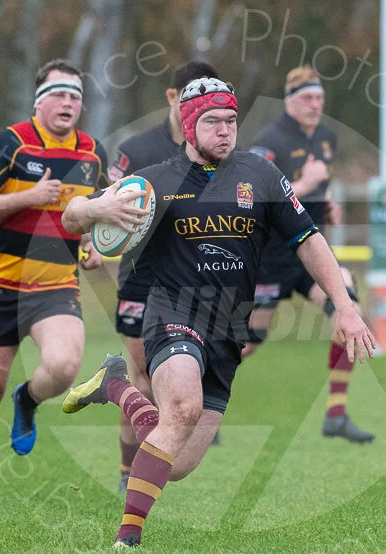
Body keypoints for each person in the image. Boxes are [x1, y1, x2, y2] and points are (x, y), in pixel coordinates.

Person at [59, 78, 378, 547]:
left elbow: (308, 240)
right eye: (212, 122)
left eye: (230, 121)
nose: (225, 131)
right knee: (182, 409)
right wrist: (94, 206)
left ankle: (116, 386)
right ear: (189, 127)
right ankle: (126, 542)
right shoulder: (154, 181)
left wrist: (345, 307)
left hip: (231, 326)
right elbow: (70, 219)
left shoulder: (262, 176)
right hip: (174, 311)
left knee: (179, 463)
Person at [0, 59, 108, 501]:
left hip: (57, 286)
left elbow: (101, 212)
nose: (68, 103)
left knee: (63, 367)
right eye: (59, 94)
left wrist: (96, 243)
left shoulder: (92, 153)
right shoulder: (12, 144)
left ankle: (28, 400)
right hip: (0, 287)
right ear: (40, 102)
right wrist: (31, 196)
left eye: (76, 96)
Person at [105, 60, 220, 490]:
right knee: (143, 377)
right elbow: (106, 211)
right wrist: (96, 245)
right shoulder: (138, 150)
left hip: (196, 281)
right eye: (191, 95)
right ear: (172, 97)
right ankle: (126, 468)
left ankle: (170, 439)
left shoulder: (216, 153)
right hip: (139, 277)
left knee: (183, 379)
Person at [246, 66, 371, 444]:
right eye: (308, 98)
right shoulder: (270, 141)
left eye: (320, 98)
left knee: (349, 310)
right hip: (270, 257)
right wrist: (308, 183)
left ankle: (335, 414)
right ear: (290, 100)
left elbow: (318, 189)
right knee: (247, 343)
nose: (316, 105)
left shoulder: (326, 138)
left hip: (310, 255)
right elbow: (256, 199)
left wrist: (327, 204)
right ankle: (199, 403)